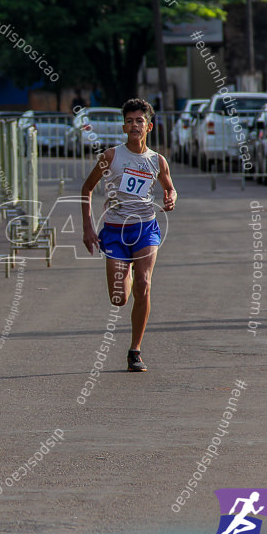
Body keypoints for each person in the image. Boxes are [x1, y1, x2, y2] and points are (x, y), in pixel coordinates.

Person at [80, 97, 177, 372]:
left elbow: (170, 188)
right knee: (119, 298)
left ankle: (135, 350)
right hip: (115, 231)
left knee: (144, 285)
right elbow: (86, 189)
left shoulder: (157, 160)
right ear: (124, 128)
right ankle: (128, 273)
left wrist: (171, 198)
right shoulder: (110, 157)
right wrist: (88, 227)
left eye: (139, 121)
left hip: (145, 228)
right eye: (129, 121)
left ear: (149, 126)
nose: (134, 125)